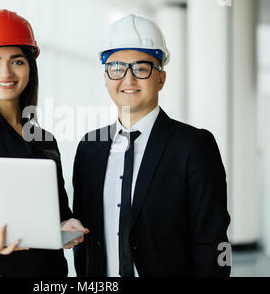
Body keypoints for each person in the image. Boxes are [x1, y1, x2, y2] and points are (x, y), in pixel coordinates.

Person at [72, 14, 231, 277]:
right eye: (116, 67)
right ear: (105, 78)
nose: (128, 79)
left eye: (142, 68)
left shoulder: (193, 147)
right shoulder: (90, 147)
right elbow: (86, 244)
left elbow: (211, 243)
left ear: (161, 79)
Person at [0, 9, 89, 277]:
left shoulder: (45, 140)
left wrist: (70, 226)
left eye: (17, 61)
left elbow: (59, 213)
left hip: (49, 274)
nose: (5, 72)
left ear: (30, 67)